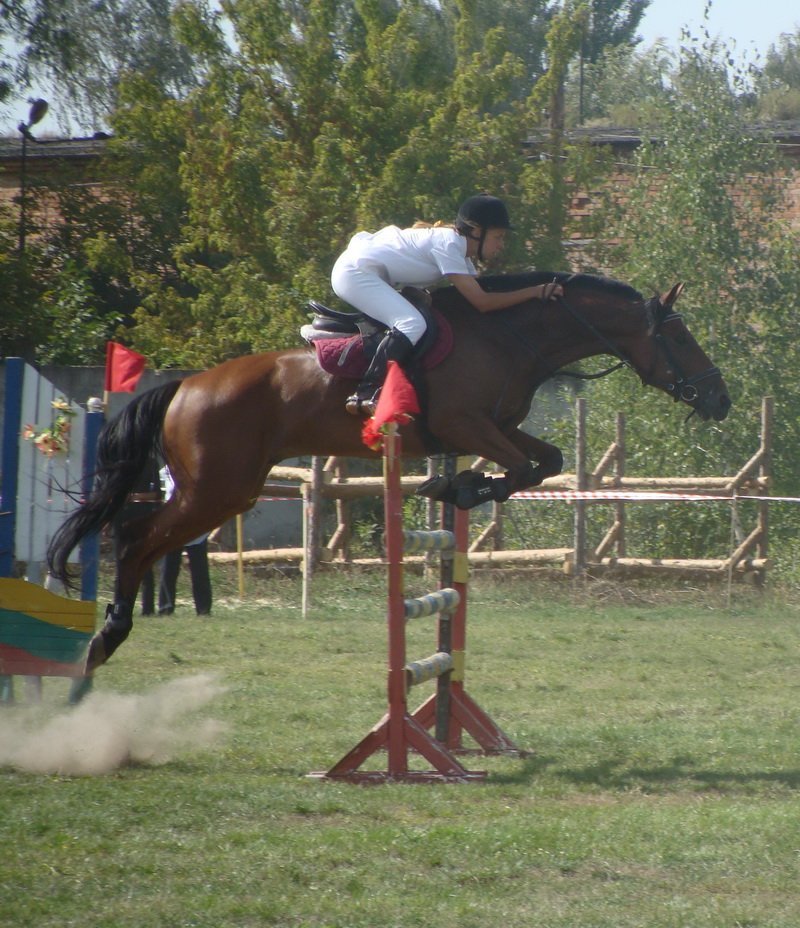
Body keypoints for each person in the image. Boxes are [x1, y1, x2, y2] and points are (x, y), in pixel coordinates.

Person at [330, 193, 564, 415]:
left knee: (417, 320)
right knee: (412, 323)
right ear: (476, 231)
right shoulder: (449, 244)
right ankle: (366, 392)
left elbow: (481, 295)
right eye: (498, 237)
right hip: (354, 273)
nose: (501, 245)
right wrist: (535, 292)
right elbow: (482, 302)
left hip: (369, 273)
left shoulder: (459, 252)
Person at [157, 465, 212, 616]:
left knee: (199, 570)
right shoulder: (168, 469)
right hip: (173, 526)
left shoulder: (198, 468)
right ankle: (165, 607)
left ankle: (203, 608)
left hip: (195, 526)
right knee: (169, 568)